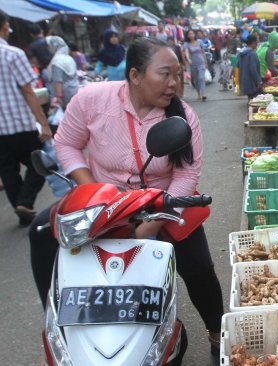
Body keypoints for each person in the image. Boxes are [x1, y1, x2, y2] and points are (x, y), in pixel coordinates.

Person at [28, 36, 225, 353]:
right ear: (135, 75)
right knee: (42, 231)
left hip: (164, 201)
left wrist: (155, 220)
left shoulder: (183, 115)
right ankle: (59, 322)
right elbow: (66, 144)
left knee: (198, 267)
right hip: (104, 202)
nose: (174, 82)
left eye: (177, 74)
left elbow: (186, 174)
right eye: (165, 74)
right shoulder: (92, 99)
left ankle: (219, 334)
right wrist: (91, 189)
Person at [0, 10, 53, 226]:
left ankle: (22, 209)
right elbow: (29, 91)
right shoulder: (13, 54)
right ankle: (25, 202)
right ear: (5, 26)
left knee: (8, 170)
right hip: (20, 123)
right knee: (41, 164)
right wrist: (43, 123)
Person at [44, 36, 80, 109]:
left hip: (66, 95)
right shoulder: (69, 58)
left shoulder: (57, 62)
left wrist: (58, 97)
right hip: (75, 90)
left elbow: (58, 82)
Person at [184, 29, 208, 101]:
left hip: (201, 62)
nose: (191, 35)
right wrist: (188, 59)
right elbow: (186, 53)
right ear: (187, 36)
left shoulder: (199, 42)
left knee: (201, 78)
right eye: (189, 34)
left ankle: (203, 94)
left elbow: (203, 52)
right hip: (193, 64)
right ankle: (198, 94)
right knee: (196, 80)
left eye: (192, 34)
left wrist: (206, 61)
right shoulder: (186, 44)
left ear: (195, 35)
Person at [237, 34, 262, 99]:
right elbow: (253, 69)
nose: (257, 44)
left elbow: (238, 65)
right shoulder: (252, 53)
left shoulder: (241, 52)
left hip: (244, 81)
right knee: (254, 101)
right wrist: (258, 81)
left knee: (250, 99)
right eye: (257, 42)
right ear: (253, 43)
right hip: (251, 83)